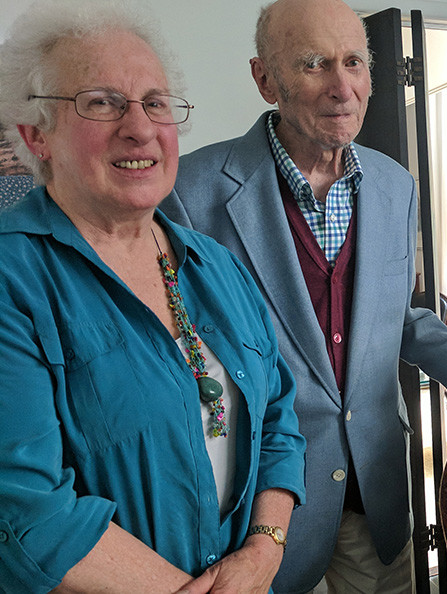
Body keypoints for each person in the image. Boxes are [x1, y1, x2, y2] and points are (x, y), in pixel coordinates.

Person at [159, 0, 447, 591]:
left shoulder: (395, 184)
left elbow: (397, 316)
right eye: (314, 64)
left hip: (376, 488)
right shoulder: (190, 191)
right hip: (259, 507)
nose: (342, 87)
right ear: (266, 80)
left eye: (354, 63)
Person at [0, 2, 306, 593]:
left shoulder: (215, 265)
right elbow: (25, 511)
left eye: (155, 103)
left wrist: (261, 555)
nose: (139, 128)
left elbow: (278, 423)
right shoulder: (14, 277)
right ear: (37, 135)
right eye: (100, 102)